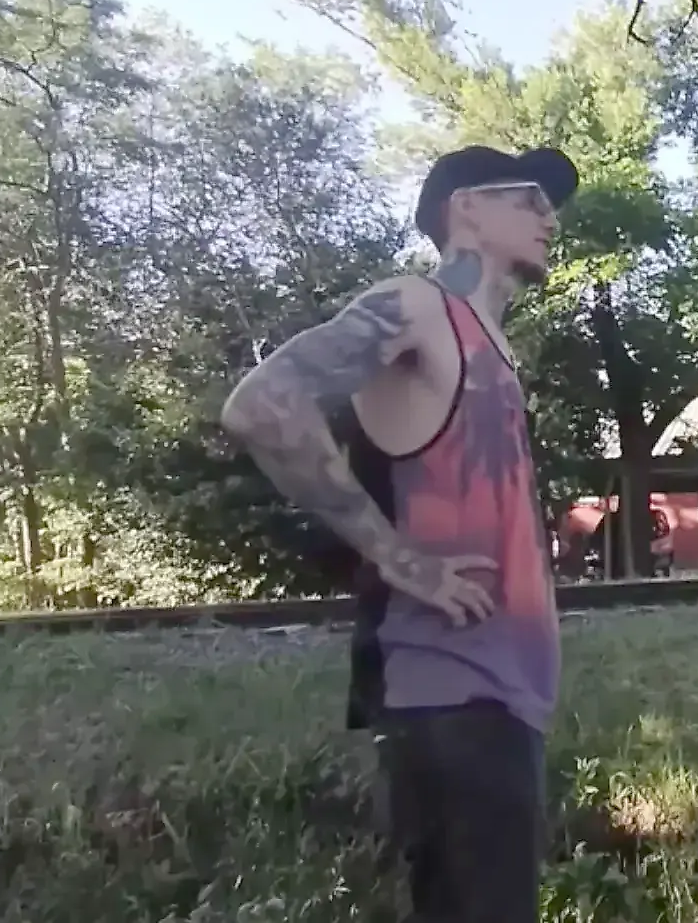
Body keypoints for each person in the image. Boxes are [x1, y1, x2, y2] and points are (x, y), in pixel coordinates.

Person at [220, 144, 577, 922]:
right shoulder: (419, 308)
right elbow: (261, 404)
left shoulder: (493, 345)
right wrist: (398, 558)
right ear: (466, 208)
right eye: (529, 197)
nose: (550, 217)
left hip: (500, 702)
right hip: (447, 691)